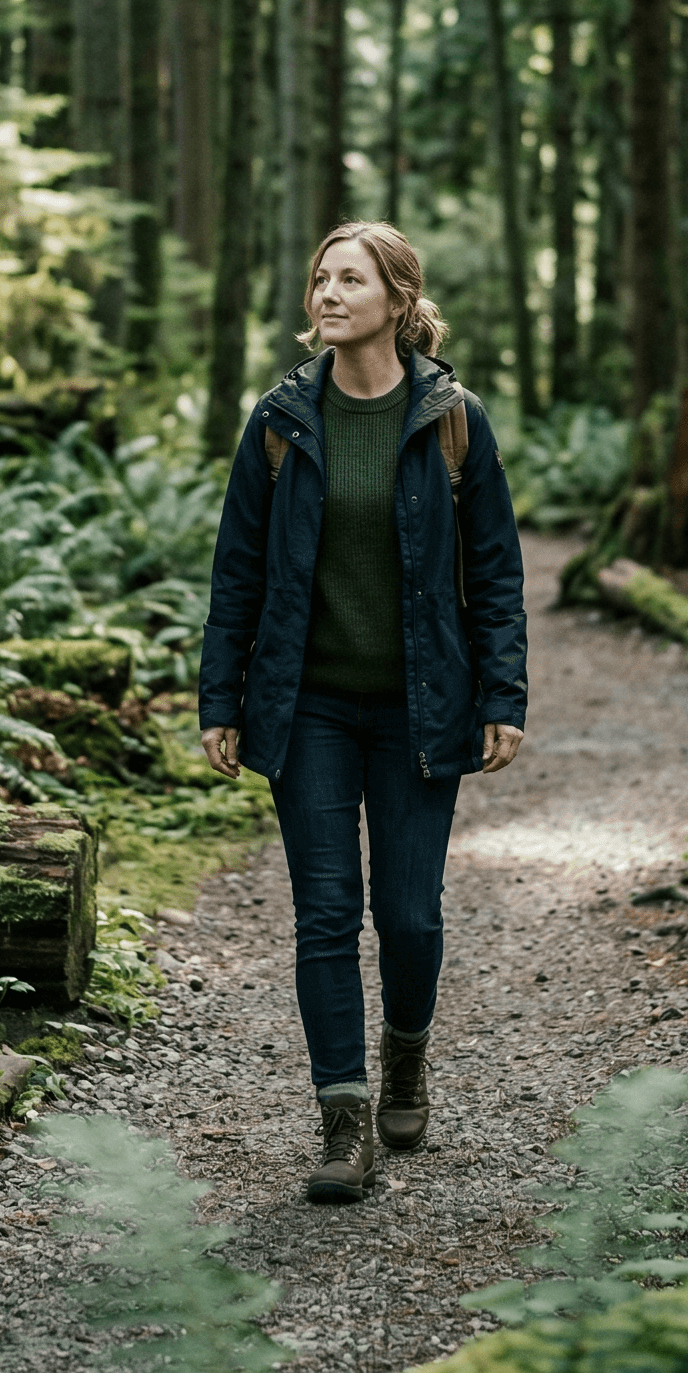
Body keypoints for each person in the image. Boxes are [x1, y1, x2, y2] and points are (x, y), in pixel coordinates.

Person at [199, 221, 527, 1202]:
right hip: (309, 712)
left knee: (411, 917)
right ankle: (345, 1124)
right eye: (320, 279)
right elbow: (238, 573)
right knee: (327, 916)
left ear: (398, 297)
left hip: (422, 708)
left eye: (351, 278)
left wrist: (502, 694)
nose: (328, 293)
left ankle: (408, 1056)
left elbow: (497, 570)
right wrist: (223, 699)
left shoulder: (453, 418)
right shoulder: (279, 421)